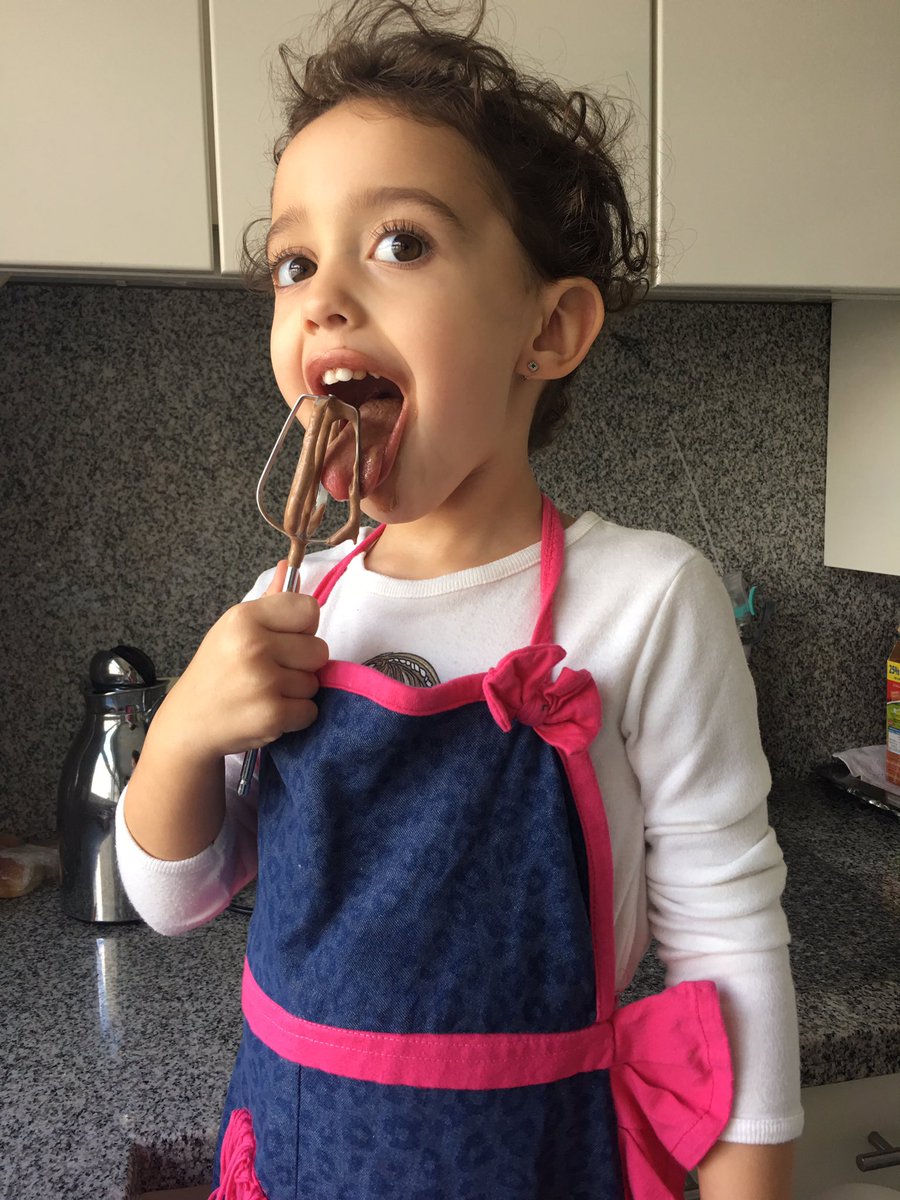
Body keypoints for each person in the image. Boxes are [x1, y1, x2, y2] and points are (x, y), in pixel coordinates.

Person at [117, 1, 803, 1196]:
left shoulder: (644, 601)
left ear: (550, 327)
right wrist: (180, 734)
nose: (323, 295)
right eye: (294, 262)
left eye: (401, 243)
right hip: (298, 1152)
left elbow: (729, 945)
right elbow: (175, 898)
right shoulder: (294, 601)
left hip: (533, 1158)